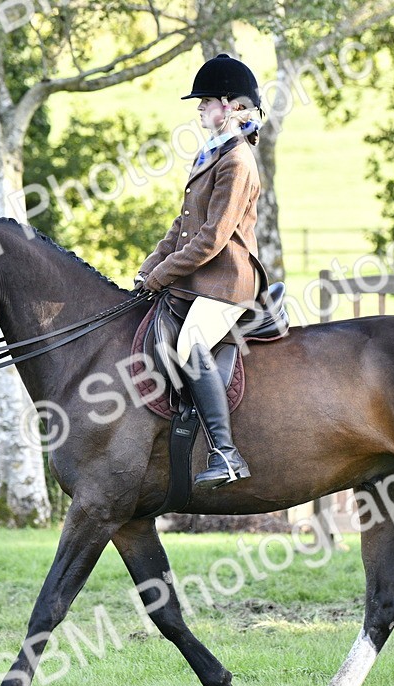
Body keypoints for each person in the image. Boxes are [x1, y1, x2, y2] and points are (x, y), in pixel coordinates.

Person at [135, 53, 269, 489]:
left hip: (227, 282)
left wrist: (163, 276)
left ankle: (226, 454)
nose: (199, 109)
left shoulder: (238, 162)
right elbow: (183, 225)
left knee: (192, 343)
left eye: (205, 101)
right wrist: (149, 267)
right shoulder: (211, 153)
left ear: (229, 105)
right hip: (200, 279)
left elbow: (212, 238)